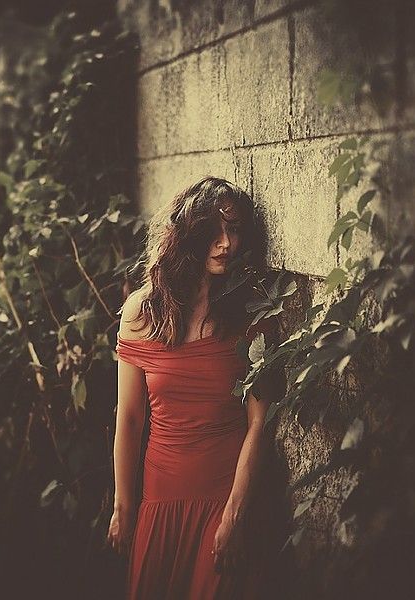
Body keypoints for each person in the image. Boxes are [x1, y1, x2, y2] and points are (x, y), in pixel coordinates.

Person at [106, 176, 285, 599]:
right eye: (214, 230)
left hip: (225, 497)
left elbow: (260, 422)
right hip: (160, 499)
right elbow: (129, 418)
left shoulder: (250, 314)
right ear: (188, 233)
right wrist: (124, 506)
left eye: (235, 229)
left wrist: (235, 514)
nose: (226, 243)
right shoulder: (142, 311)